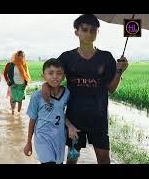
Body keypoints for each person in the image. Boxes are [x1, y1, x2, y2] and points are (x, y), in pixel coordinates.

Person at [41, 14, 129, 164]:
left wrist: (120, 71)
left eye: (93, 30)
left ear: (97, 32)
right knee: (72, 158)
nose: (89, 33)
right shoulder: (66, 57)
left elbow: (111, 89)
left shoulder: (106, 57)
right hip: (75, 119)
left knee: (103, 159)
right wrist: (45, 86)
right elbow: (53, 77)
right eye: (85, 29)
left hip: (99, 118)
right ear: (77, 32)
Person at [23, 58, 70, 164]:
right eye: (50, 73)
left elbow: (65, 114)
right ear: (43, 76)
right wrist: (28, 142)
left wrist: (70, 127)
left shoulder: (67, 94)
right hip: (42, 138)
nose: (54, 76)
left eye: (59, 73)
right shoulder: (37, 96)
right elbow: (32, 121)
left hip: (59, 138)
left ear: (63, 76)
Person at [6, 50, 31, 115]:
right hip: (14, 84)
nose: (22, 57)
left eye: (23, 56)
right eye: (20, 55)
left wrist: (25, 83)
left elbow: (26, 74)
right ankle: (13, 112)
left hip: (22, 84)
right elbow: (10, 75)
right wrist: (12, 83)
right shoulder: (13, 64)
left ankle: (19, 113)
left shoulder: (24, 64)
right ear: (17, 56)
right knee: (13, 99)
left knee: (20, 99)